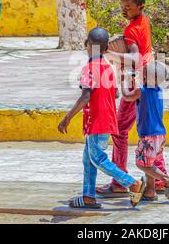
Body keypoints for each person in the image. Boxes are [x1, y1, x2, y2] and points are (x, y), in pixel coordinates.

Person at [58, 27, 146, 209]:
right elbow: (114, 94)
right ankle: (88, 197)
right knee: (88, 159)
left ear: (86, 45)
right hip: (106, 119)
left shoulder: (89, 68)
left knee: (98, 158)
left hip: (97, 121)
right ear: (106, 48)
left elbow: (86, 96)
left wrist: (67, 118)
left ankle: (131, 183)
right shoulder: (108, 67)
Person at [98, 0, 169, 198]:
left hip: (134, 80)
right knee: (152, 132)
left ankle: (120, 181)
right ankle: (159, 179)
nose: (124, 10)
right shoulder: (143, 21)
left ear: (140, 6)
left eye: (128, 7)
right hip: (148, 79)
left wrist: (108, 53)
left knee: (119, 131)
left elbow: (135, 58)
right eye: (123, 6)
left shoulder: (132, 29)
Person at [120, 61, 169, 201]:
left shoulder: (142, 91)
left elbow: (127, 96)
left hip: (148, 136)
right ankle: (150, 191)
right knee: (150, 163)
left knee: (142, 164)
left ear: (145, 77)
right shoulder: (158, 90)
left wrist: (122, 82)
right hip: (160, 135)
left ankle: (167, 180)